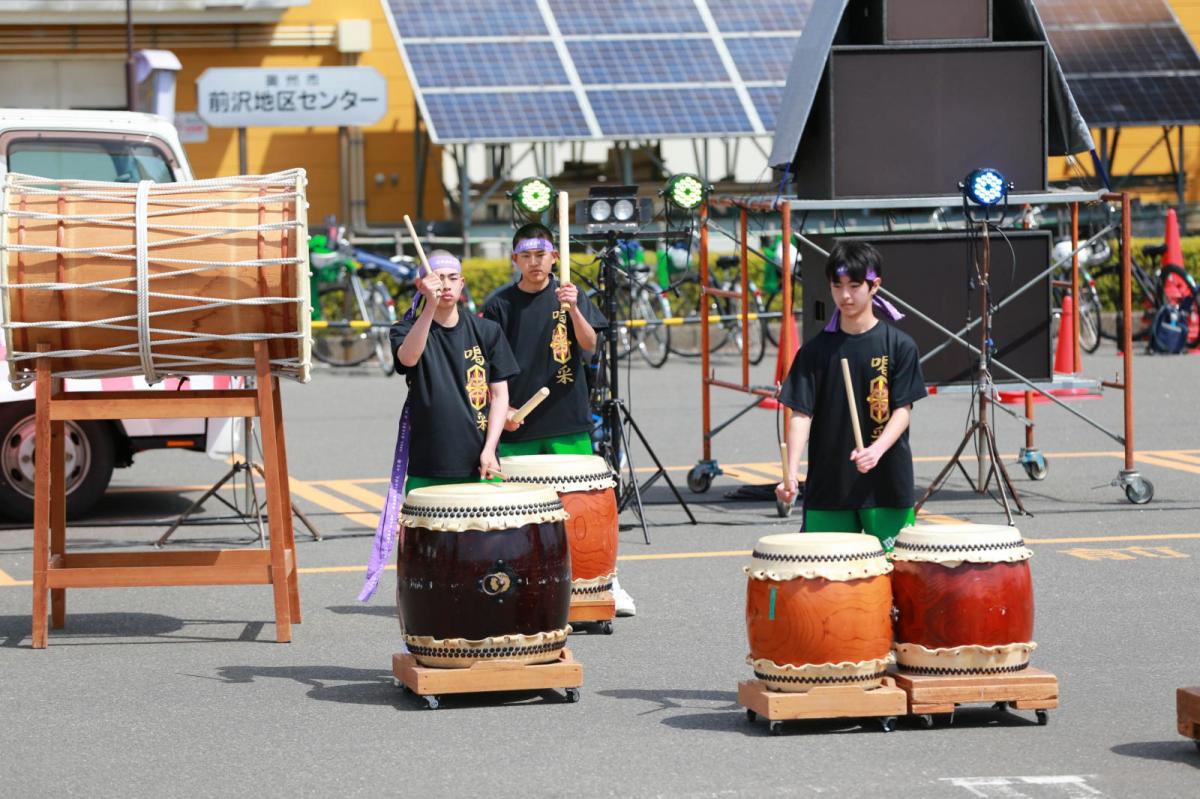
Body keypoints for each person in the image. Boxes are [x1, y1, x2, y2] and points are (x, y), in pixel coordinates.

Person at [482, 223, 637, 617]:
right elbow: (487, 365)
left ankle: (601, 580)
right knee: (515, 510)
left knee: (582, 507)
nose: (535, 263)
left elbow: (590, 345)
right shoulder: (500, 305)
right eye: (526, 256)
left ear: (555, 257)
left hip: (567, 416)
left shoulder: (571, 295)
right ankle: (516, 585)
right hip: (518, 421)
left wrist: (573, 309)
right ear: (515, 260)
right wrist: (503, 410)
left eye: (542, 255)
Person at [359, 250, 518, 601]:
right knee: (427, 551)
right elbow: (408, 358)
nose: (445, 285)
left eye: (451, 278)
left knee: (483, 549)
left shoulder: (486, 331)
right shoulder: (406, 330)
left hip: (478, 459)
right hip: (428, 459)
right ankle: (425, 609)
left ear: (462, 283)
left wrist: (490, 448)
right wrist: (428, 307)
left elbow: (500, 395)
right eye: (437, 278)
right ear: (422, 285)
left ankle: (477, 610)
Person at [775, 240, 926, 553]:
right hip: (829, 485)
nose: (844, 295)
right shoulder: (815, 351)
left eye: (854, 286)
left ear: (874, 286)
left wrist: (876, 450)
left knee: (896, 571)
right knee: (826, 575)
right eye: (837, 285)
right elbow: (801, 414)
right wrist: (790, 475)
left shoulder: (899, 346)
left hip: (887, 482)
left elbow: (903, 409)